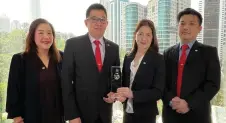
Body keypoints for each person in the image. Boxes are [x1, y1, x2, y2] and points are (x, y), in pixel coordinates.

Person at [61, 3, 120, 123]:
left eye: (102, 19)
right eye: (94, 19)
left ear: (107, 23)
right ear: (86, 22)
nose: (99, 23)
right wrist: (72, 115)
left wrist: (114, 93)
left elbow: (116, 77)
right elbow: (66, 81)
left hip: (105, 113)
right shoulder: (73, 45)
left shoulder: (114, 48)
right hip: (80, 115)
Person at [162, 8, 221, 123]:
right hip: (170, 115)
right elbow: (161, 82)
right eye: (182, 23)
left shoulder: (209, 52)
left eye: (192, 24)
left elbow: (213, 84)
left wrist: (189, 104)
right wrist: (171, 100)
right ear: (178, 27)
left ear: (199, 29)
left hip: (197, 115)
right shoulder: (168, 53)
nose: (186, 27)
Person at [6, 18, 65, 123]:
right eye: (41, 33)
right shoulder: (20, 59)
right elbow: (13, 90)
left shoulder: (62, 57)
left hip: (57, 116)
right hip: (30, 116)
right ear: (32, 35)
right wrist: (16, 117)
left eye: (49, 33)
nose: (46, 37)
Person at [115, 19, 165, 123]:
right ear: (135, 35)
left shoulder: (158, 59)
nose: (144, 38)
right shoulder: (128, 57)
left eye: (148, 35)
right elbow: (124, 85)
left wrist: (133, 94)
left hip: (146, 115)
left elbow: (158, 92)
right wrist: (120, 95)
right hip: (127, 114)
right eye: (140, 34)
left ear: (152, 38)